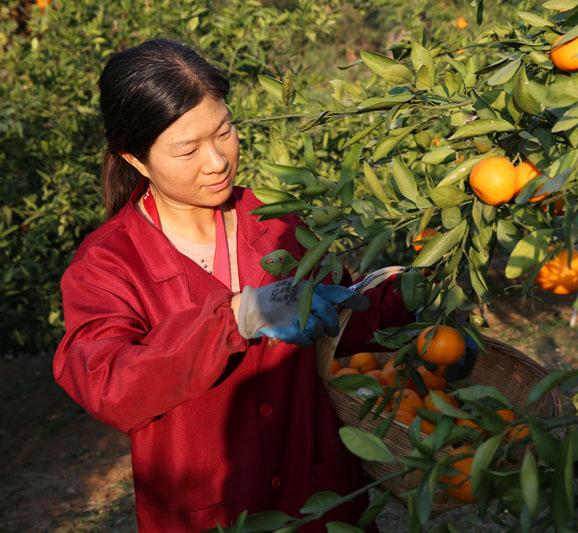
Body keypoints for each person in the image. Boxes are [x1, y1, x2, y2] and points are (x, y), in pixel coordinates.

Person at [52, 38, 413, 532]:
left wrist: (408, 297)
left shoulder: (281, 222)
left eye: (224, 132)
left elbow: (340, 323)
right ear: (135, 160)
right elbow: (110, 383)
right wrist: (237, 317)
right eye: (187, 149)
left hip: (316, 500)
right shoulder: (108, 264)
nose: (217, 160)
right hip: (210, 512)